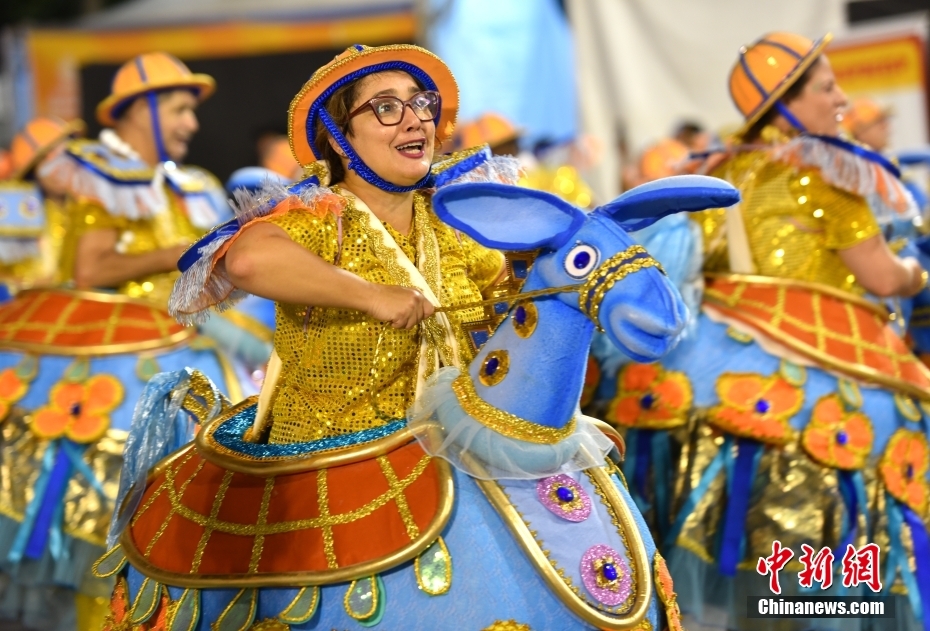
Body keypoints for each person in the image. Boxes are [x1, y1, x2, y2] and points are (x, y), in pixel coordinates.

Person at [94, 43, 706, 630]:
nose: (414, 119)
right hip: (337, 457)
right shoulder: (315, 217)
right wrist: (370, 295)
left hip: (455, 445)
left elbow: (510, 310)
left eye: (421, 104)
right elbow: (249, 261)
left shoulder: (454, 217)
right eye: (385, 107)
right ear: (341, 136)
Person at [614, 32, 930, 631]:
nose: (841, 98)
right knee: (903, 423)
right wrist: (917, 272)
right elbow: (881, 277)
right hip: (820, 359)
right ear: (786, 100)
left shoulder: (716, 167)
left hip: (703, 363)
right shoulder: (832, 168)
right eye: (826, 86)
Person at [0, 54, 243, 631]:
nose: (191, 124)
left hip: (190, 334)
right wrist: (182, 254)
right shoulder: (101, 174)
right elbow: (90, 270)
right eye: (181, 109)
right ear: (145, 109)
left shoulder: (192, 184)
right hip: (130, 343)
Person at [0, 117, 84, 293]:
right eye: (46, 161)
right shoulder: (13, 214)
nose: (57, 169)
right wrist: (28, 287)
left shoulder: (92, 206)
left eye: (64, 157)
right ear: (32, 171)